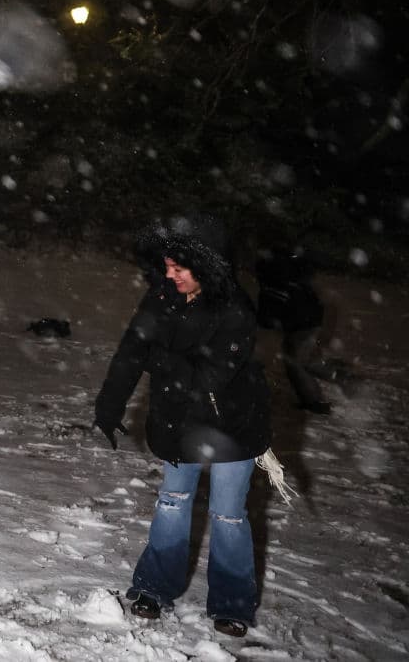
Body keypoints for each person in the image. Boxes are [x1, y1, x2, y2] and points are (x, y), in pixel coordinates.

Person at [93, 213, 272, 638]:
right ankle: (154, 588)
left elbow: (208, 377)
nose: (170, 276)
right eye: (166, 267)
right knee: (172, 501)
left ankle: (231, 604)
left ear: (206, 265)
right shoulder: (162, 297)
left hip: (234, 423)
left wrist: (156, 360)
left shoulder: (236, 309)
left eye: (179, 268)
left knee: (228, 515)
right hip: (178, 420)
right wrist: (109, 404)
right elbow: (130, 350)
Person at [254, 247, 341, 414]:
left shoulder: (272, 278)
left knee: (296, 363)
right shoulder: (284, 268)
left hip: (302, 319)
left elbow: (266, 321)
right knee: (298, 360)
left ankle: (317, 402)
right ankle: (319, 394)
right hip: (306, 316)